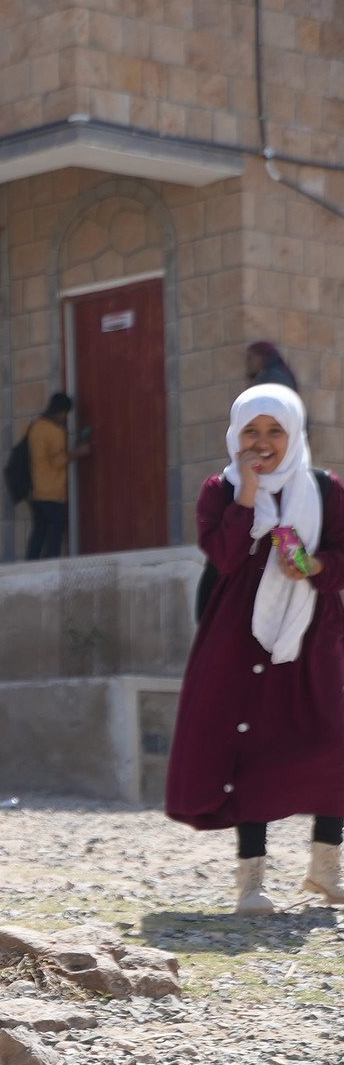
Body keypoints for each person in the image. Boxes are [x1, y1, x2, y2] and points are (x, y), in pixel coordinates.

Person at [166, 384, 344, 912]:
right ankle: (252, 882)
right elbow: (222, 554)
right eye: (251, 431)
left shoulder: (326, 489)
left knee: (334, 740)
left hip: (315, 630)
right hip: (240, 636)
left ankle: (325, 870)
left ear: (295, 435)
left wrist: (314, 567)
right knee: (253, 745)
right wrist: (246, 493)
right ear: (234, 435)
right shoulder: (219, 490)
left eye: (274, 432)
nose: (262, 443)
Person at [24, 392, 87, 561]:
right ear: (62, 411)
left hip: (34, 488)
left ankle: (31, 564)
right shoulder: (54, 431)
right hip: (51, 490)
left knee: (39, 530)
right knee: (57, 528)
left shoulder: (36, 426)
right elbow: (57, 461)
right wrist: (78, 453)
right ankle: (50, 564)